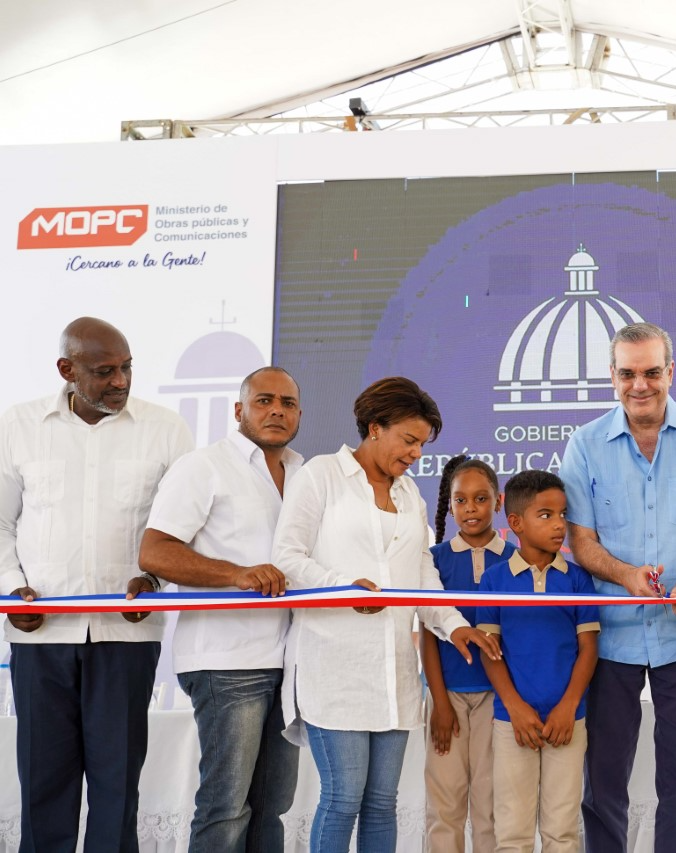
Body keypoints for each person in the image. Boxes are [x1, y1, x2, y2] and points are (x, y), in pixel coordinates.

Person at [271, 376, 501, 853]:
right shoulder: (320, 476)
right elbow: (286, 558)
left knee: (381, 804)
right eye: (409, 440)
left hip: (394, 672)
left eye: (422, 444)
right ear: (375, 427)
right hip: (334, 669)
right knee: (342, 799)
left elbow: (421, 574)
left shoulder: (409, 494)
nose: (416, 453)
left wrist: (455, 627)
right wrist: (342, 587)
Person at [0, 317, 193, 852]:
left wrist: (154, 579)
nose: (120, 381)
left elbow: (181, 528)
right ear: (67, 369)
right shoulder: (17, 426)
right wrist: (12, 589)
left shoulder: (167, 429)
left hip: (126, 636)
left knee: (117, 788)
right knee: (43, 787)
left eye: (127, 368)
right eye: (105, 371)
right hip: (40, 636)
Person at [560, 322, 676, 853]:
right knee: (602, 786)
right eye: (628, 373)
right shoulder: (584, 444)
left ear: (671, 372)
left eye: (652, 372)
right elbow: (581, 541)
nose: (640, 385)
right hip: (607, 638)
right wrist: (626, 576)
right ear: (612, 376)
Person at [136, 366, 303, 853]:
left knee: (273, 807)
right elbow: (155, 552)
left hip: (290, 662)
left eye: (288, 403)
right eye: (264, 400)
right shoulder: (203, 466)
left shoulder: (304, 473)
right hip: (226, 661)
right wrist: (237, 573)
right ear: (238, 410)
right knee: (225, 809)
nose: (277, 410)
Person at [476, 470, 600, 853]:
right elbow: (490, 651)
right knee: (512, 832)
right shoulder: (494, 580)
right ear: (515, 523)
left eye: (562, 514)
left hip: (568, 721)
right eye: (546, 515)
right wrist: (514, 707)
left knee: (562, 831)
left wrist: (568, 706)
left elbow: (588, 648)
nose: (559, 524)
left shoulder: (577, 580)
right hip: (512, 721)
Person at [422, 454, 516, 853]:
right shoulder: (434, 560)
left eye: (481, 499)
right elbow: (428, 634)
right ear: (450, 504)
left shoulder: (516, 560)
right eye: (461, 500)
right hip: (447, 696)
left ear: (498, 501)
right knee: (444, 805)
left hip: (498, 699)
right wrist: (440, 703)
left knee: (491, 804)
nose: (471, 508)